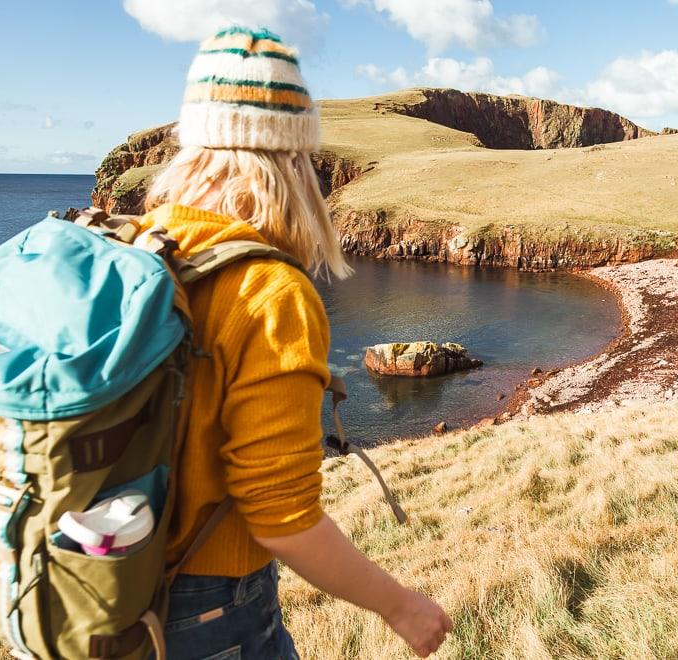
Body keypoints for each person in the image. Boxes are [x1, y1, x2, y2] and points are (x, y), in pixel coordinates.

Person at [140, 25, 453, 660]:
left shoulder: (134, 246)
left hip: (92, 591)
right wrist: (405, 608)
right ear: (291, 161)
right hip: (206, 610)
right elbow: (282, 518)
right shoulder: (268, 289)